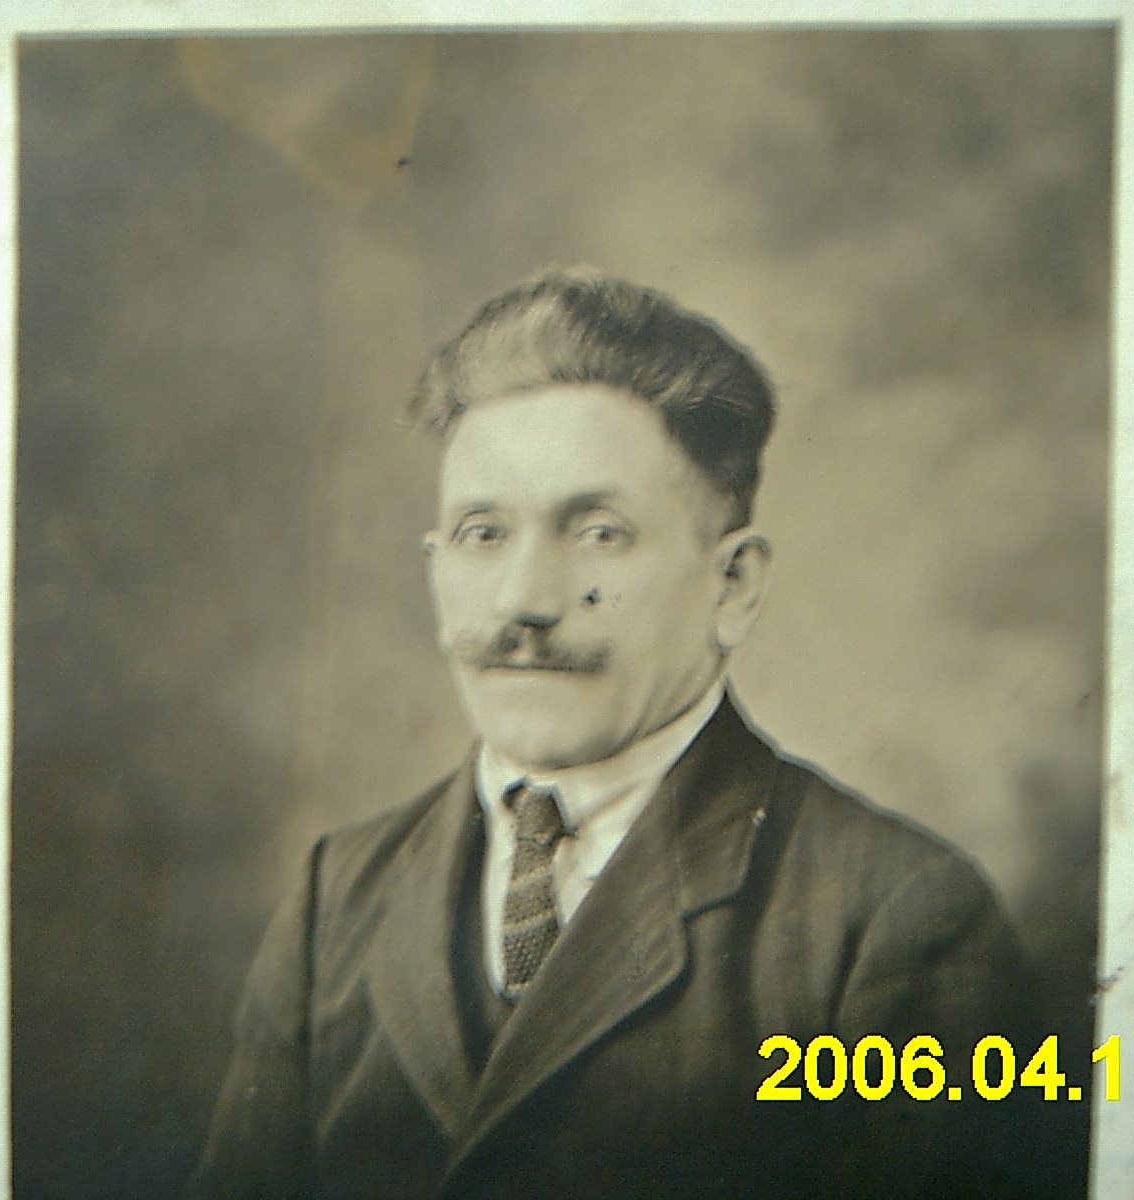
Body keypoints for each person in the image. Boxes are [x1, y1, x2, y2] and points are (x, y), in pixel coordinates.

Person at [187, 269, 1054, 1200]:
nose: (523, 601)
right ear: (436, 568)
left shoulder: (892, 921)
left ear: (731, 586)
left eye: (598, 533)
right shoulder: (337, 899)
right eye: (483, 534)